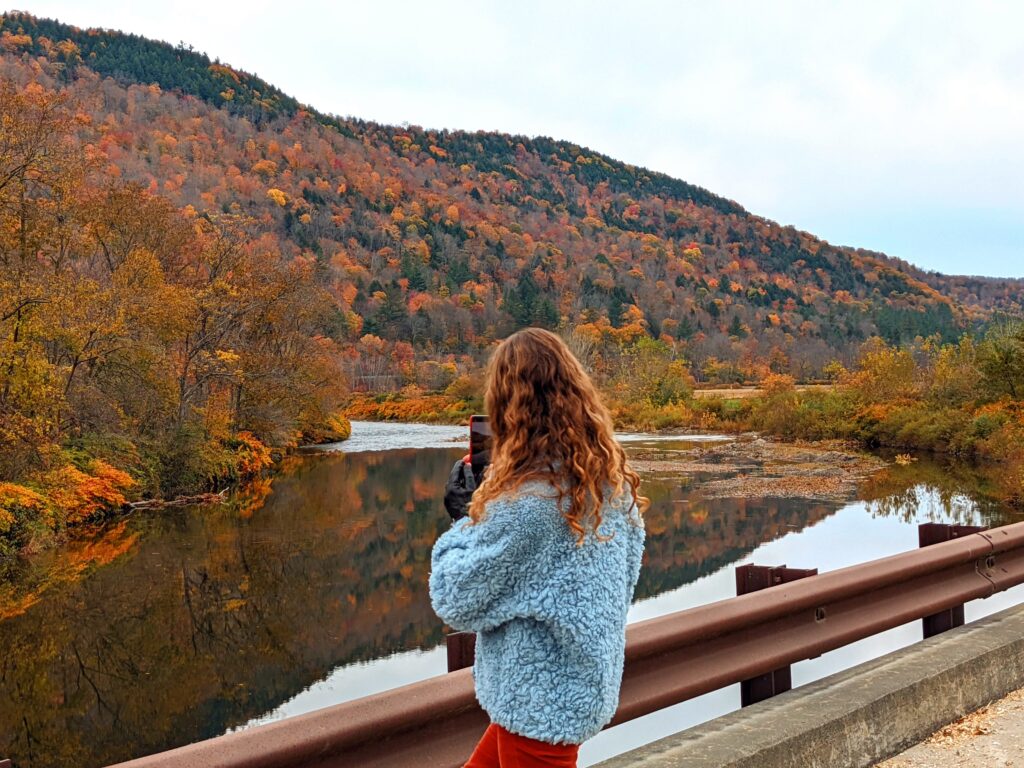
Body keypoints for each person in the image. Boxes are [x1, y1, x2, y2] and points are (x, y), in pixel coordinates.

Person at [430, 328, 647, 768]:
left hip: (540, 701)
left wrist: (465, 520)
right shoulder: (608, 484)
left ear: (507, 408)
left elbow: (454, 597)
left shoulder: (530, 506)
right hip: (573, 685)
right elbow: (625, 575)